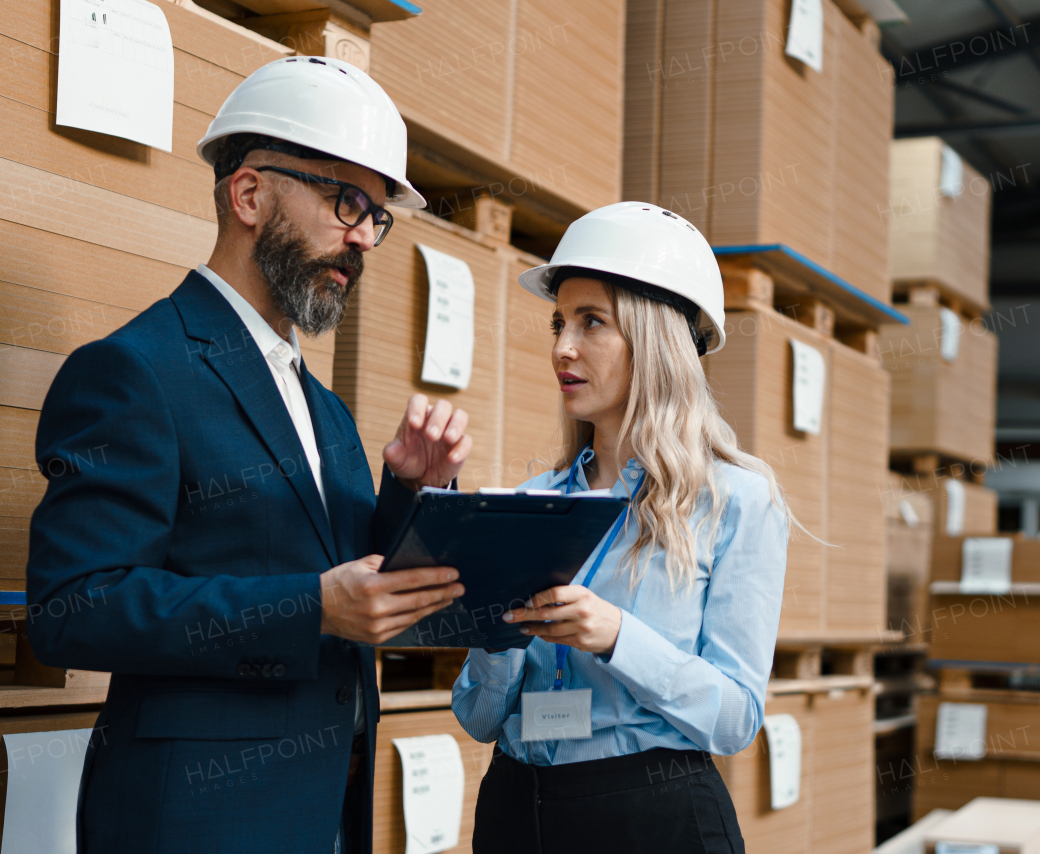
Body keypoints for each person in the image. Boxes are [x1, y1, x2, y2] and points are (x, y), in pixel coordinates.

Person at [25, 56, 471, 854]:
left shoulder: (324, 410)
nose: (365, 236)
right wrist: (310, 609)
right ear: (251, 194)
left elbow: (354, 579)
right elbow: (75, 609)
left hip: (324, 815)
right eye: (347, 202)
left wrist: (409, 489)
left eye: (378, 217)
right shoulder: (136, 371)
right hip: (195, 824)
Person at [452, 202, 795, 854]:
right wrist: (497, 637)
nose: (562, 347)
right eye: (559, 322)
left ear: (656, 338)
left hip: (653, 818)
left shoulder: (736, 501)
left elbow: (735, 719)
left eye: (592, 322)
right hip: (514, 812)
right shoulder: (527, 503)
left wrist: (617, 637)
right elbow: (477, 717)